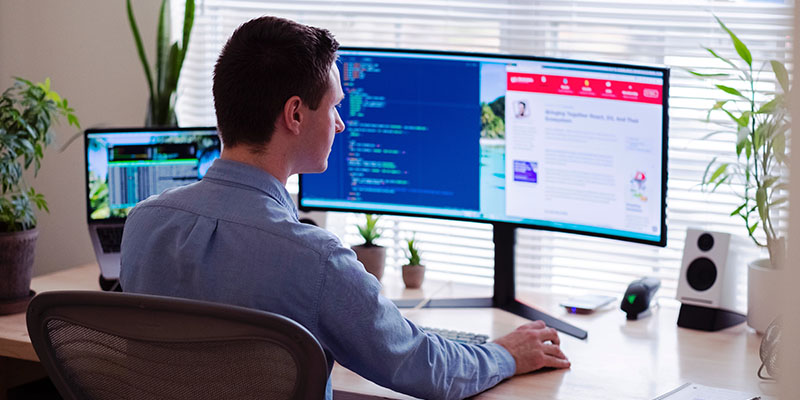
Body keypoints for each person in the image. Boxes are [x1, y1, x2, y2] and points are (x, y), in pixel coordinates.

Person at [120, 16, 570, 400]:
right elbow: (424, 366)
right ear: (295, 115)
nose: (340, 122)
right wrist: (507, 354)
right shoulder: (314, 260)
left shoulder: (144, 224)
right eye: (335, 105)